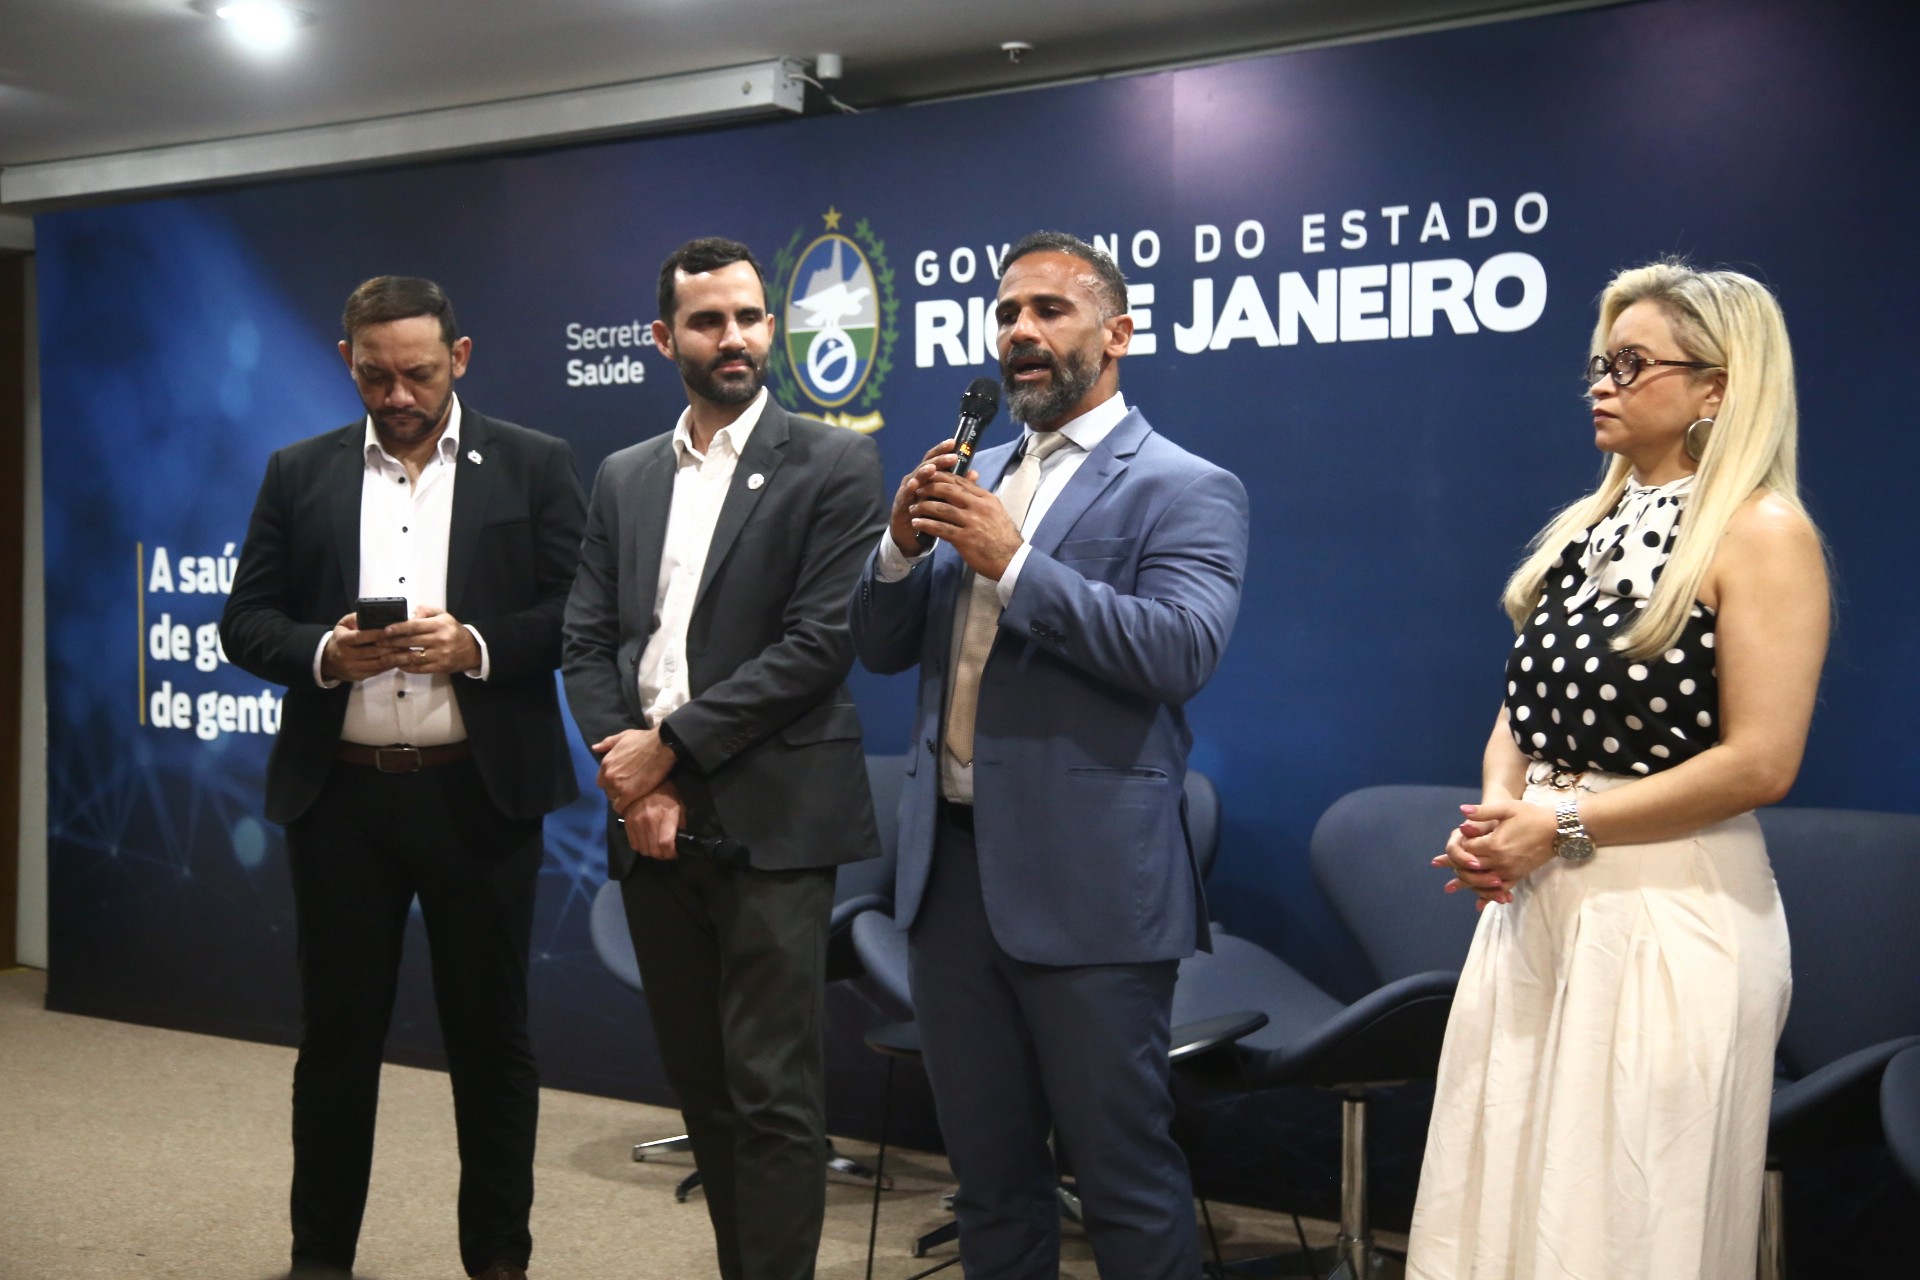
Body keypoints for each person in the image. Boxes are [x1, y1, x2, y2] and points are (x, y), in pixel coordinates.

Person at [1406, 261, 1828, 1280]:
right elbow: (1521, 714)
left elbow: (1761, 761)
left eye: (1632, 364)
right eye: (1602, 361)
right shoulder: (1586, 527)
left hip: (1670, 912)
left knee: (1623, 1225)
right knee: (1500, 1196)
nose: (1602, 382)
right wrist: (1501, 815)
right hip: (1539, 901)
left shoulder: (1763, 531)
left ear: (1718, 386)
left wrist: (1560, 828)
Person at [848, 231, 1249, 1280]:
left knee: (1123, 1178)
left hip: (1091, 887)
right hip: (950, 878)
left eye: (1049, 310)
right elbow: (881, 649)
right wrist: (898, 548)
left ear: (1117, 335)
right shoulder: (971, 472)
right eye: (1007, 314)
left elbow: (1178, 650)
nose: (1020, 331)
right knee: (988, 1179)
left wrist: (1014, 561)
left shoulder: (1185, 485)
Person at [221, 276, 586, 1280]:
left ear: (458, 359)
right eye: (375, 374)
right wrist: (321, 653)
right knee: (337, 1039)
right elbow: (245, 620)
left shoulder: (535, 463)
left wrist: (474, 643)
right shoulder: (299, 472)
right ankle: (320, 1259)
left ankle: (499, 1260)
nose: (397, 395)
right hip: (339, 799)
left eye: (418, 373)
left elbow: (580, 611)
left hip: (480, 793)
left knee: (491, 1040)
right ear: (348, 361)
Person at [561, 237, 885, 1280]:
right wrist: (633, 785)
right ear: (666, 340)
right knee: (703, 1092)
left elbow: (817, 646)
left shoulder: (834, 462)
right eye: (708, 321)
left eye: (749, 317)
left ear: (772, 327)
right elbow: (588, 641)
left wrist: (666, 753)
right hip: (651, 823)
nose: (734, 337)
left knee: (772, 1095)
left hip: (774, 820)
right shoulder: (624, 475)